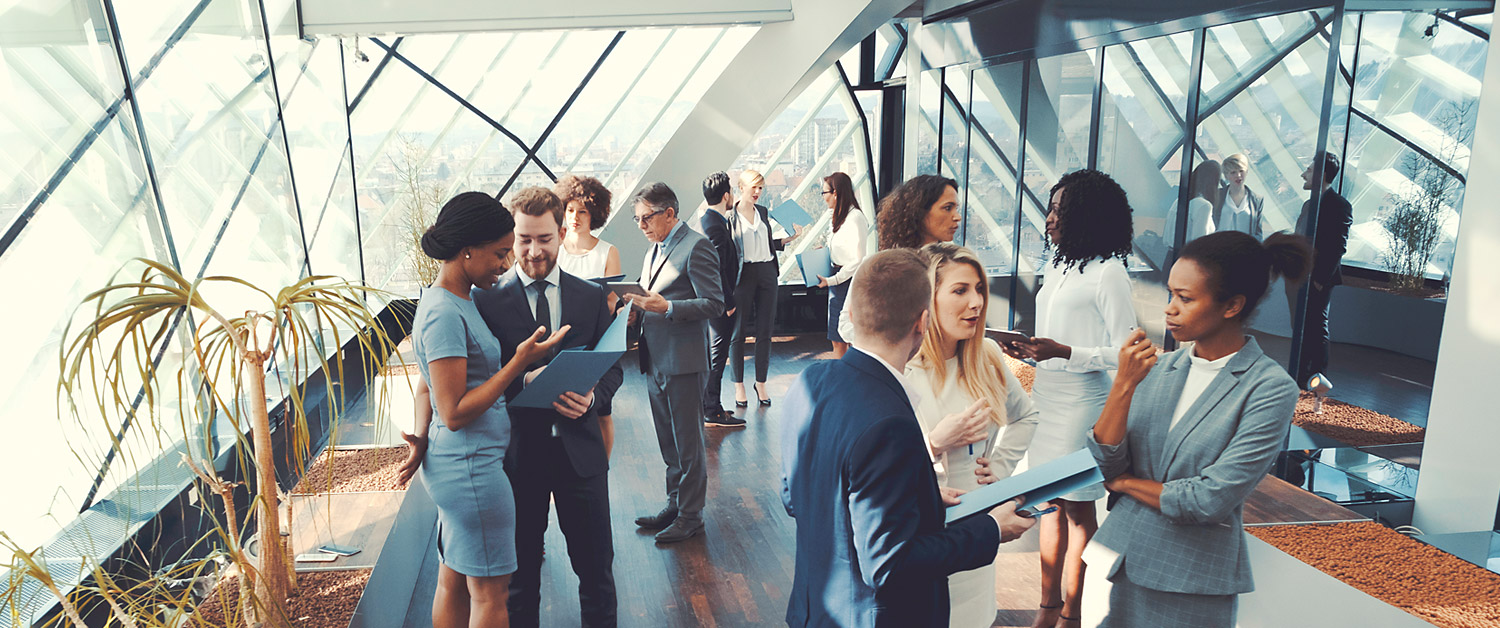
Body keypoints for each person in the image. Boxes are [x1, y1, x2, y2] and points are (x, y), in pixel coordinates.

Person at [780, 249, 1040, 628]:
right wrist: (992, 529)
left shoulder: (809, 382)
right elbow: (888, 564)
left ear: (851, 314)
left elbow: (794, 498)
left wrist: (913, 498)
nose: (976, 302)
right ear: (923, 321)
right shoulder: (891, 422)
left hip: (817, 607)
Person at [1086, 231, 1311, 627]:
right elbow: (1108, 462)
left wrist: (1124, 485)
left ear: (1233, 305)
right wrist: (1122, 385)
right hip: (1126, 560)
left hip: (1191, 578)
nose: (1169, 309)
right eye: (1170, 294)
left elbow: (1210, 499)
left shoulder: (1269, 389)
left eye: (1185, 298)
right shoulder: (1163, 367)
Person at [398, 191, 568, 628]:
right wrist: (519, 362)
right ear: (466, 249)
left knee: (452, 579)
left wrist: (420, 439)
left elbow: (425, 387)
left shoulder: (454, 302)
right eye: (498, 253)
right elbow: (453, 411)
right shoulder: (445, 313)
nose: (505, 264)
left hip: (458, 464)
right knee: (491, 594)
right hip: (473, 470)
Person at [466, 187, 620, 628]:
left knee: (597, 577)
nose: (534, 251)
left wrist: (594, 397)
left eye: (544, 239)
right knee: (520, 583)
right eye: (524, 240)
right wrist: (520, 381)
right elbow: (478, 378)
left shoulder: (591, 298)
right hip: (517, 460)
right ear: (512, 238)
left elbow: (612, 368)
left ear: (562, 232)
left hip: (582, 457)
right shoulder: (486, 302)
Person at [1002, 169, 1136, 628]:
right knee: (1047, 506)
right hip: (1048, 394)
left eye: (1060, 209)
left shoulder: (1111, 273)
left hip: (1082, 403)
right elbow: (1058, 335)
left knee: (1078, 509)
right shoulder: (1059, 264)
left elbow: (1127, 353)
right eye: (1050, 208)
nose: (1050, 218)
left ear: (1086, 216)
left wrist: (1065, 351)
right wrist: (1032, 347)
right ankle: (1047, 607)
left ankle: (1072, 615)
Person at [905, 242, 1042, 627]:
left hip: (978, 529)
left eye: (979, 288)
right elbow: (880, 460)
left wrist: (998, 467)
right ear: (928, 298)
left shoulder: (988, 355)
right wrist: (934, 442)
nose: (977, 302)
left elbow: (1026, 416)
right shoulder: (903, 367)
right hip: (923, 532)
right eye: (960, 290)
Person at [622, 182, 726, 544]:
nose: (641, 226)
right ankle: (675, 503)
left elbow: (715, 303)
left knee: (689, 444)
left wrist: (666, 308)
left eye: (646, 218)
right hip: (656, 358)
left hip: (684, 361)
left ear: (669, 213)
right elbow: (652, 294)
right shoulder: (655, 248)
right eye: (637, 219)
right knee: (669, 441)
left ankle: (691, 515)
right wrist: (636, 312)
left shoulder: (696, 247)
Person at [835, 174, 963, 344]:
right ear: (919, 212)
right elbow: (846, 324)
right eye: (948, 208)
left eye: (956, 208)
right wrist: (890, 346)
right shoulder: (879, 266)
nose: (957, 217)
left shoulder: (955, 265)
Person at [555, 174, 625, 456]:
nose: (575, 217)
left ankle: (602, 468)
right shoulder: (555, 250)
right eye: (570, 210)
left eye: (582, 211)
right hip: (559, 337)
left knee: (602, 411)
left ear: (594, 213)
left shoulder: (608, 251)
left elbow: (610, 302)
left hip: (595, 339)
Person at [729, 169, 804, 408]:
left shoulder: (762, 212)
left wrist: (787, 240)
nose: (759, 192)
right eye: (754, 187)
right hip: (743, 276)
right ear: (741, 188)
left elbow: (764, 243)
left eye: (761, 188)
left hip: (767, 274)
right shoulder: (729, 217)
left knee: (765, 332)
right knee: (737, 332)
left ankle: (760, 383)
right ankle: (738, 384)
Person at [1292, 153, 1353, 387]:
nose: (1303, 174)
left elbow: (1338, 246)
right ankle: (1302, 374)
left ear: (1321, 175)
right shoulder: (1309, 204)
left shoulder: (1339, 206)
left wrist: (1319, 279)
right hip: (1302, 275)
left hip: (1317, 278)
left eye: (1308, 170)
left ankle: (1316, 376)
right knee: (1305, 325)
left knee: (1316, 326)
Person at [699, 172, 745, 427]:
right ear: (726, 195)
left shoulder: (712, 220)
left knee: (714, 354)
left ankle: (710, 406)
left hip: (717, 300)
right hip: (720, 303)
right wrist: (728, 303)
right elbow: (716, 268)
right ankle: (711, 410)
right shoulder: (714, 225)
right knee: (717, 356)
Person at [815, 172, 868, 359]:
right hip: (838, 282)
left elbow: (857, 259)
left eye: (824, 193)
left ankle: (848, 382)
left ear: (835, 192)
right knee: (837, 339)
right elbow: (844, 250)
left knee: (848, 336)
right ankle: (843, 380)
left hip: (848, 282)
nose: (823, 197)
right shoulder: (840, 216)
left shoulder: (855, 218)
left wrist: (833, 281)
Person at [1165, 160, 1221, 258]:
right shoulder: (1204, 206)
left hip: (1170, 257)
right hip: (1189, 260)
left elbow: (1166, 237)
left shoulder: (1179, 201)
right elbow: (1199, 243)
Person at [1215, 153, 1264, 240]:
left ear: (1247, 172)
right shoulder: (1217, 196)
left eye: (1241, 171)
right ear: (1226, 176)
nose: (1238, 175)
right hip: (1219, 249)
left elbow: (1258, 233)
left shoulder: (1257, 200)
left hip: (1244, 250)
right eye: (1233, 172)